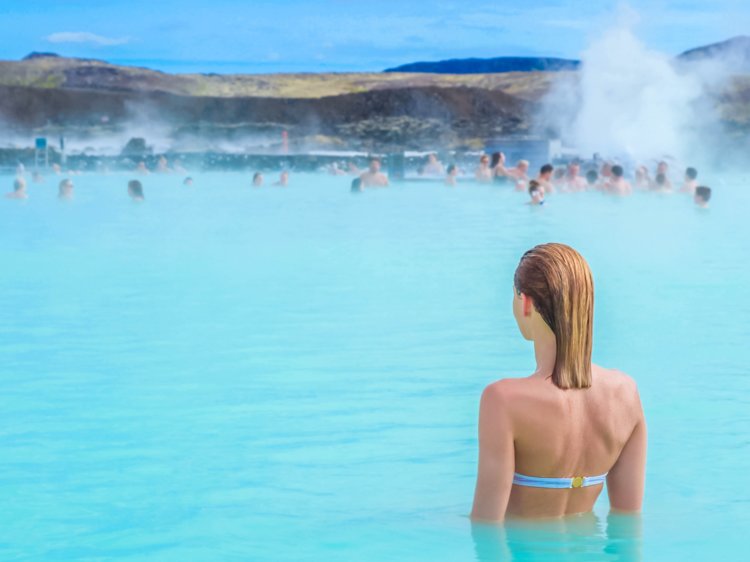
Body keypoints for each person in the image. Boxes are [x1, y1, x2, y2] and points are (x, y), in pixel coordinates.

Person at [471, 243, 646, 521]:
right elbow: (628, 523)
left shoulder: (503, 400)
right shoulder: (626, 393)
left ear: (525, 302)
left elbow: (485, 526)